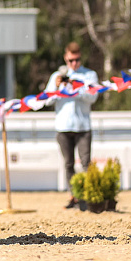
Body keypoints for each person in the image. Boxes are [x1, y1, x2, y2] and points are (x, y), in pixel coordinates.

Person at [44, 42, 100, 208]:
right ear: (65, 59)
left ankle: (89, 196)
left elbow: (93, 97)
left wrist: (76, 86)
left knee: (85, 164)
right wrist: (58, 86)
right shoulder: (57, 76)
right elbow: (47, 100)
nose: (74, 64)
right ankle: (74, 196)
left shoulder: (89, 75)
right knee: (68, 164)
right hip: (63, 127)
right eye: (70, 61)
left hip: (83, 127)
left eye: (77, 60)